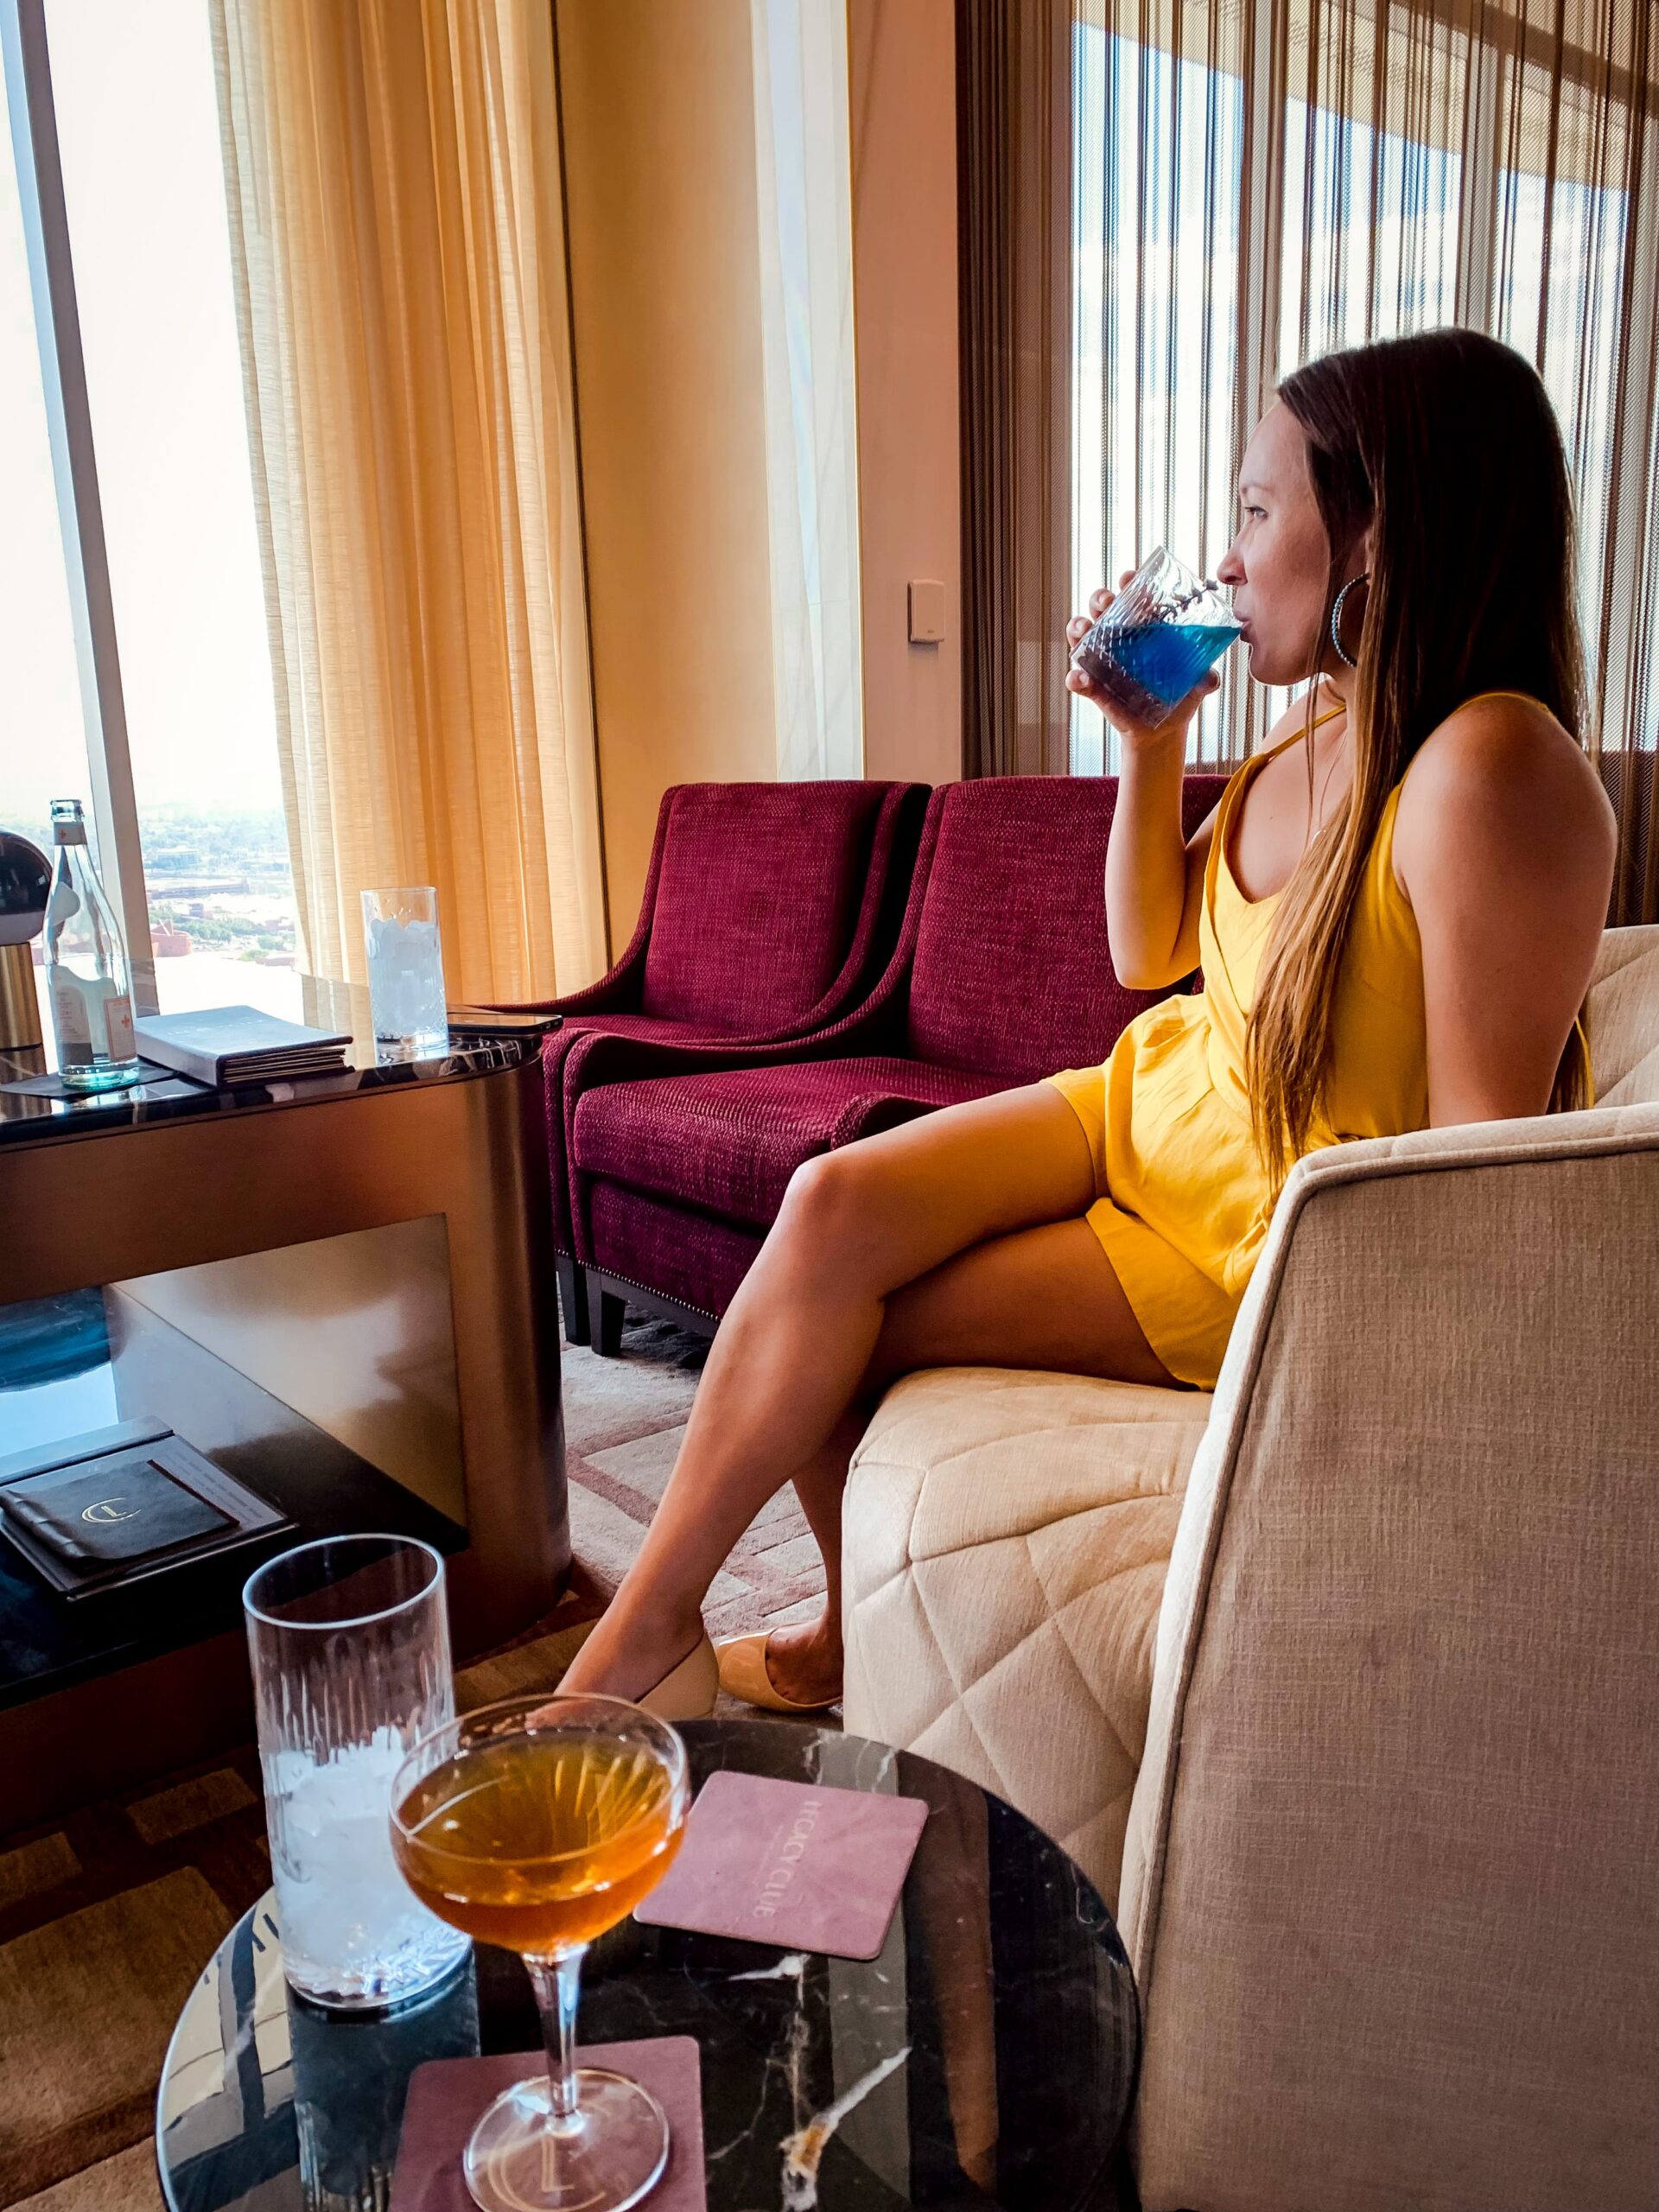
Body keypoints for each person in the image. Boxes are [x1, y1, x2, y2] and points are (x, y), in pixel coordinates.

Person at [560, 327, 1616, 1720]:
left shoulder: (1489, 763)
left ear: (1377, 528)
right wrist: (1150, 739)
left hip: (1244, 1226)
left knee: (854, 1336)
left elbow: (1489, 1180)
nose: (1227, 557)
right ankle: (689, 1631)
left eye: (1256, 508)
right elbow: (1148, 951)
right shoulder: (1315, 729)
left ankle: (717, 1656)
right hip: (1150, 1100)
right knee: (824, 1209)